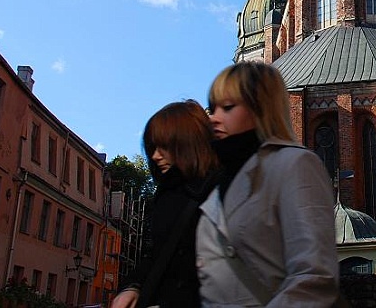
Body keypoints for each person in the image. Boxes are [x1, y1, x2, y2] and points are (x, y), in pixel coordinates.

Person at [196, 61, 339, 307]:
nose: (214, 119)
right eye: (213, 108)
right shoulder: (215, 183)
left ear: (260, 109)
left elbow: (314, 276)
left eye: (228, 107)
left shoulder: (295, 165)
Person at [111, 100, 220, 308]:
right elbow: (154, 256)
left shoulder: (220, 191)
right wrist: (132, 287)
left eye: (163, 146)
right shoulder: (167, 194)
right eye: (153, 147)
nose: (155, 155)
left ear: (186, 142)